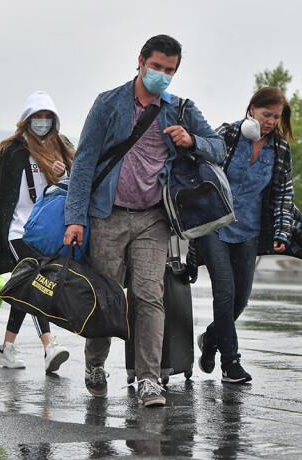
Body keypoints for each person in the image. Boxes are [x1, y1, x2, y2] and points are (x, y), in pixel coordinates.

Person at [63, 35, 226, 406]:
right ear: (140, 61)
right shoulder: (108, 103)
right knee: (105, 297)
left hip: (154, 219)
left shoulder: (180, 109)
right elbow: (84, 163)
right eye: (157, 67)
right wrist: (76, 219)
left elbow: (219, 147)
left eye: (170, 70)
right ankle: (95, 364)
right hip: (108, 216)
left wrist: (191, 141)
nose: (162, 75)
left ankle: (149, 379)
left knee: (150, 296)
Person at [190, 87, 302, 383]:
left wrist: (282, 231)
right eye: (266, 115)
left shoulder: (279, 148)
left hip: (249, 231)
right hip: (215, 225)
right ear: (252, 109)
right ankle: (231, 363)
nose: (270, 122)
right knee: (224, 293)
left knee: (240, 299)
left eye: (276, 117)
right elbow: (200, 167)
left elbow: (282, 194)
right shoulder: (228, 134)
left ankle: (211, 338)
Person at [0, 91, 75, 373]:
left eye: (48, 117)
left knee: (25, 287)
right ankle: (49, 346)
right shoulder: (11, 151)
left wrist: (63, 173)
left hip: (44, 231)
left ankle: (6, 349)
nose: (43, 122)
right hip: (15, 231)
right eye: (38, 116)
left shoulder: (61, 147)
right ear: (27, 119)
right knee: (36, 281)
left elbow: (76, 186)